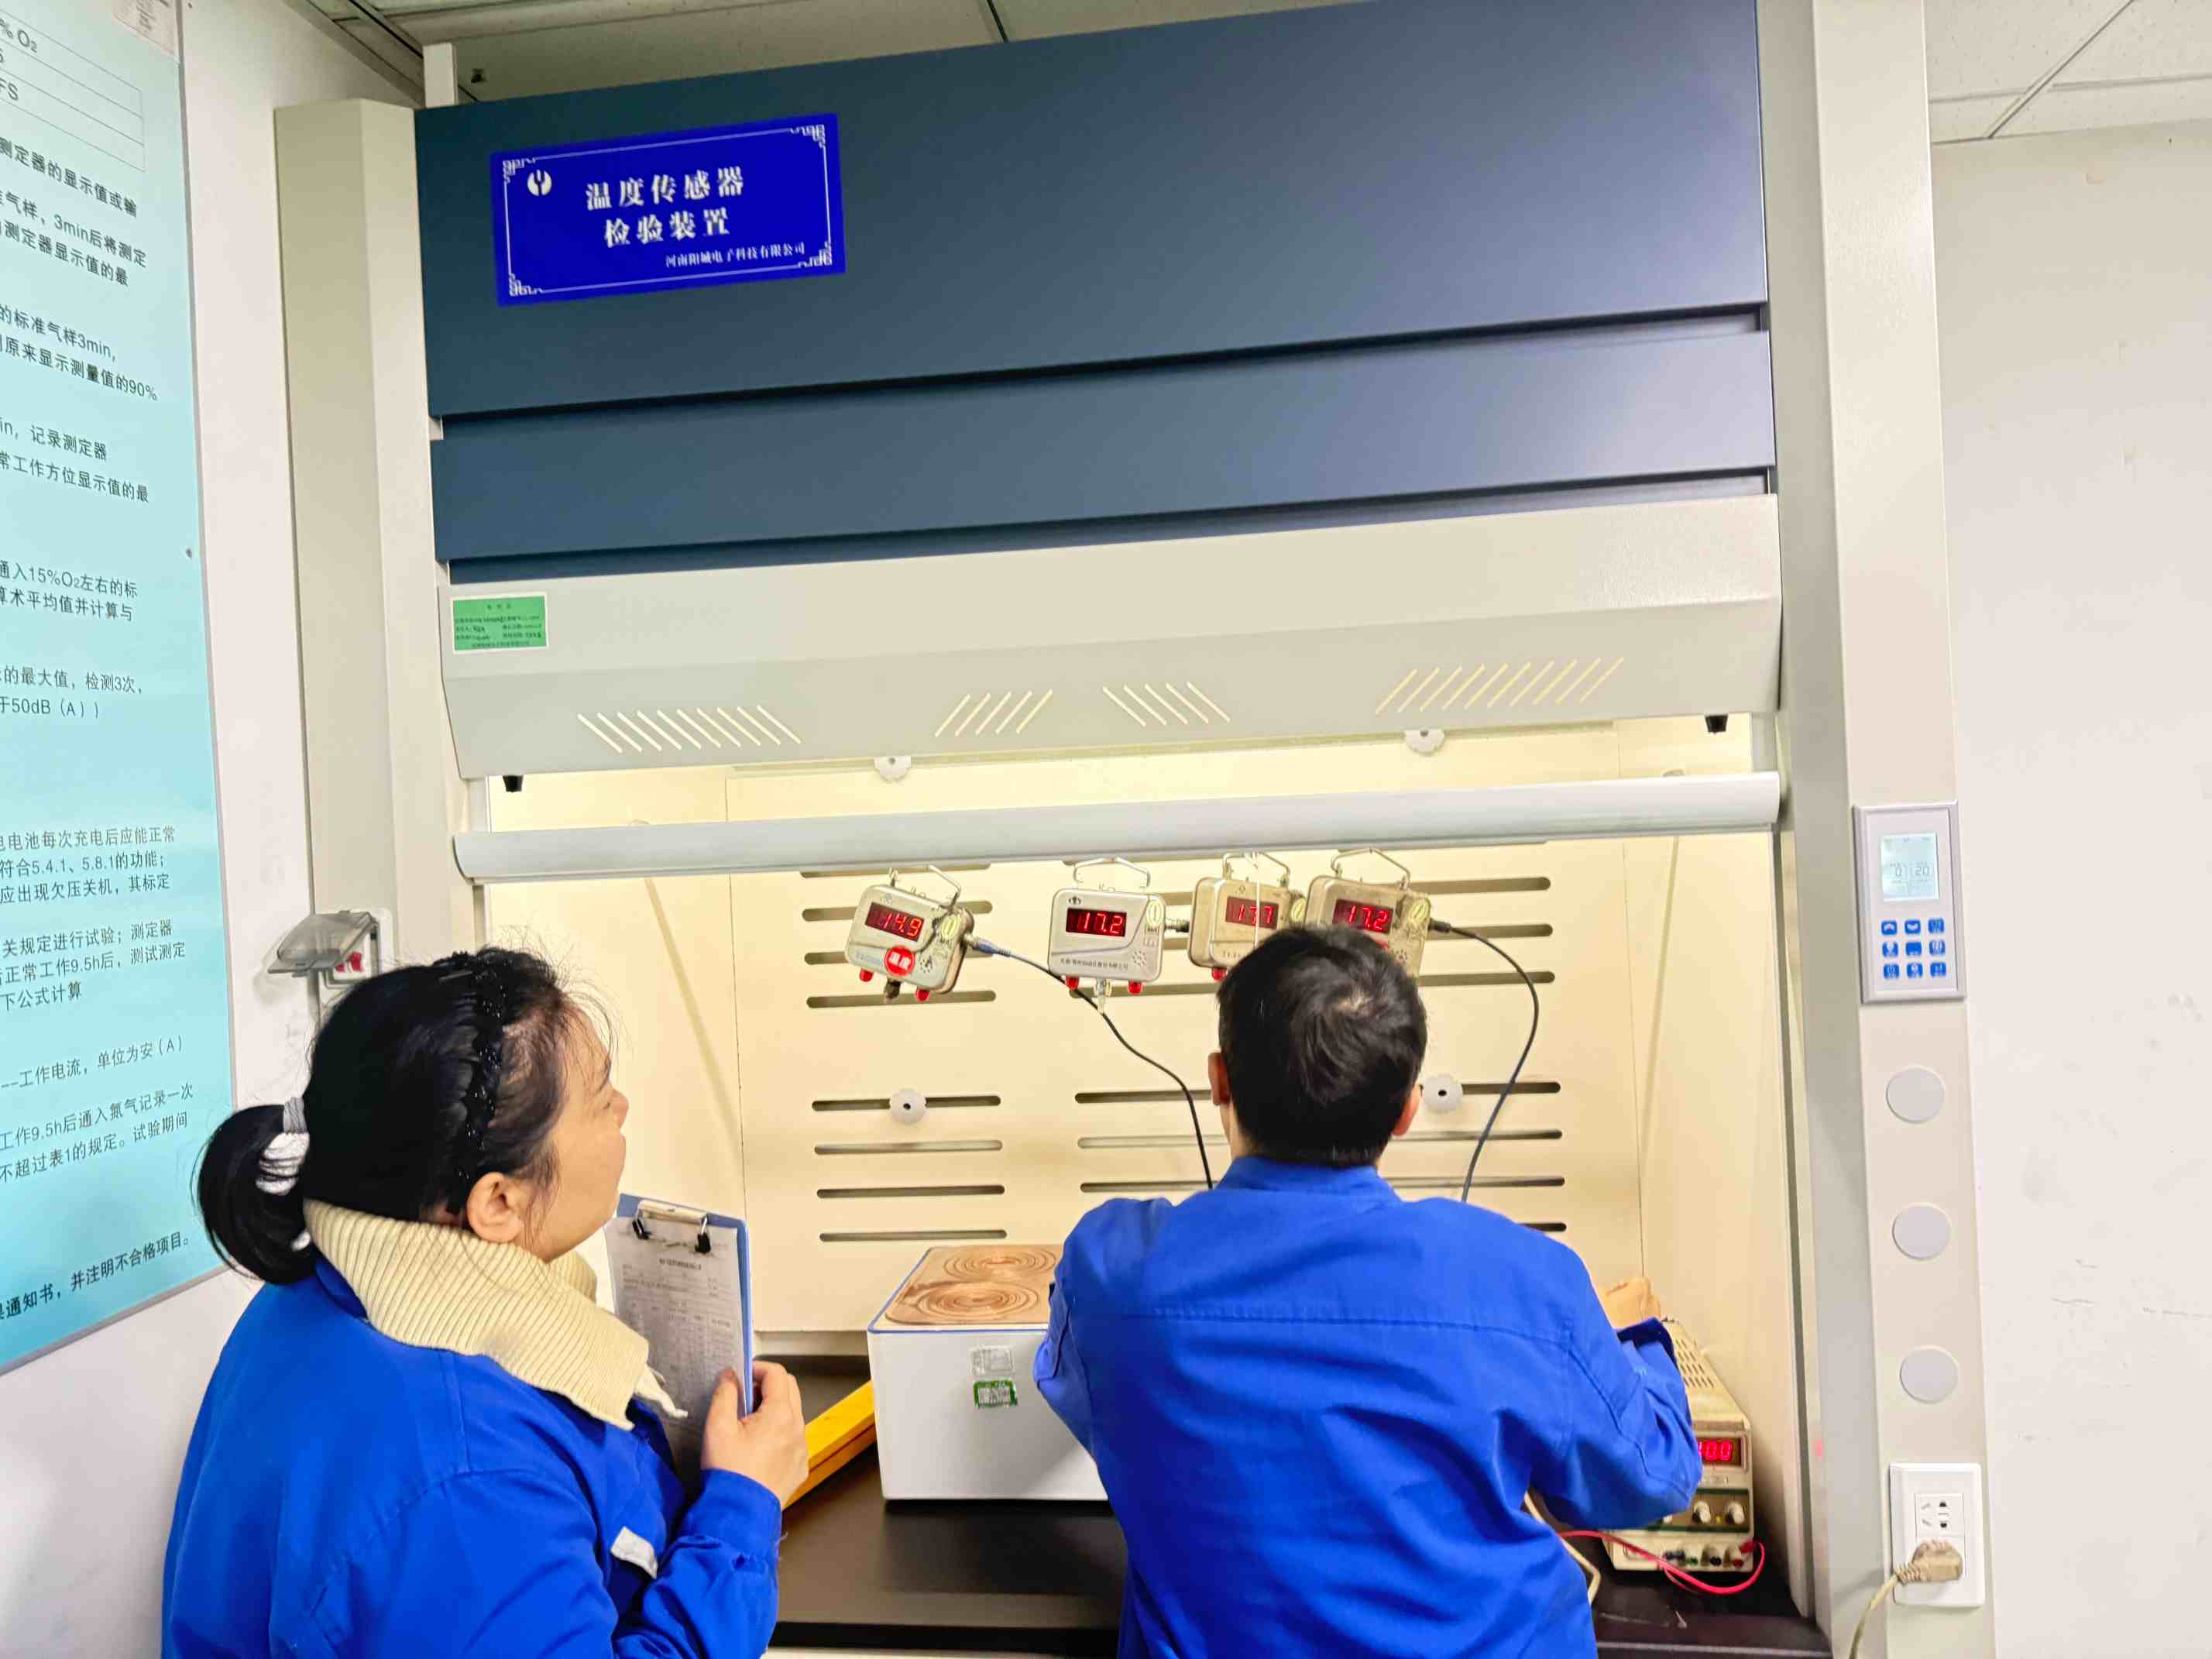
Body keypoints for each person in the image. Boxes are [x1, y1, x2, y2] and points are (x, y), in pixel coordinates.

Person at [1036, 926, 1701, 1657]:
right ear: (1408, 1110)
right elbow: (1649, 1482)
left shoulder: (1111, 1268)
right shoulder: (1522, 1280)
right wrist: (1636, 1342)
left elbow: (1089, 1397)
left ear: (1220, 1081)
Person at [164, 947, 809, 1659]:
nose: (623, 1108)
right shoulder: (468, 1484)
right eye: (601, 1099)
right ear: (497, 1202)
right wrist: (741, 1512)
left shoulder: (312, 1295)